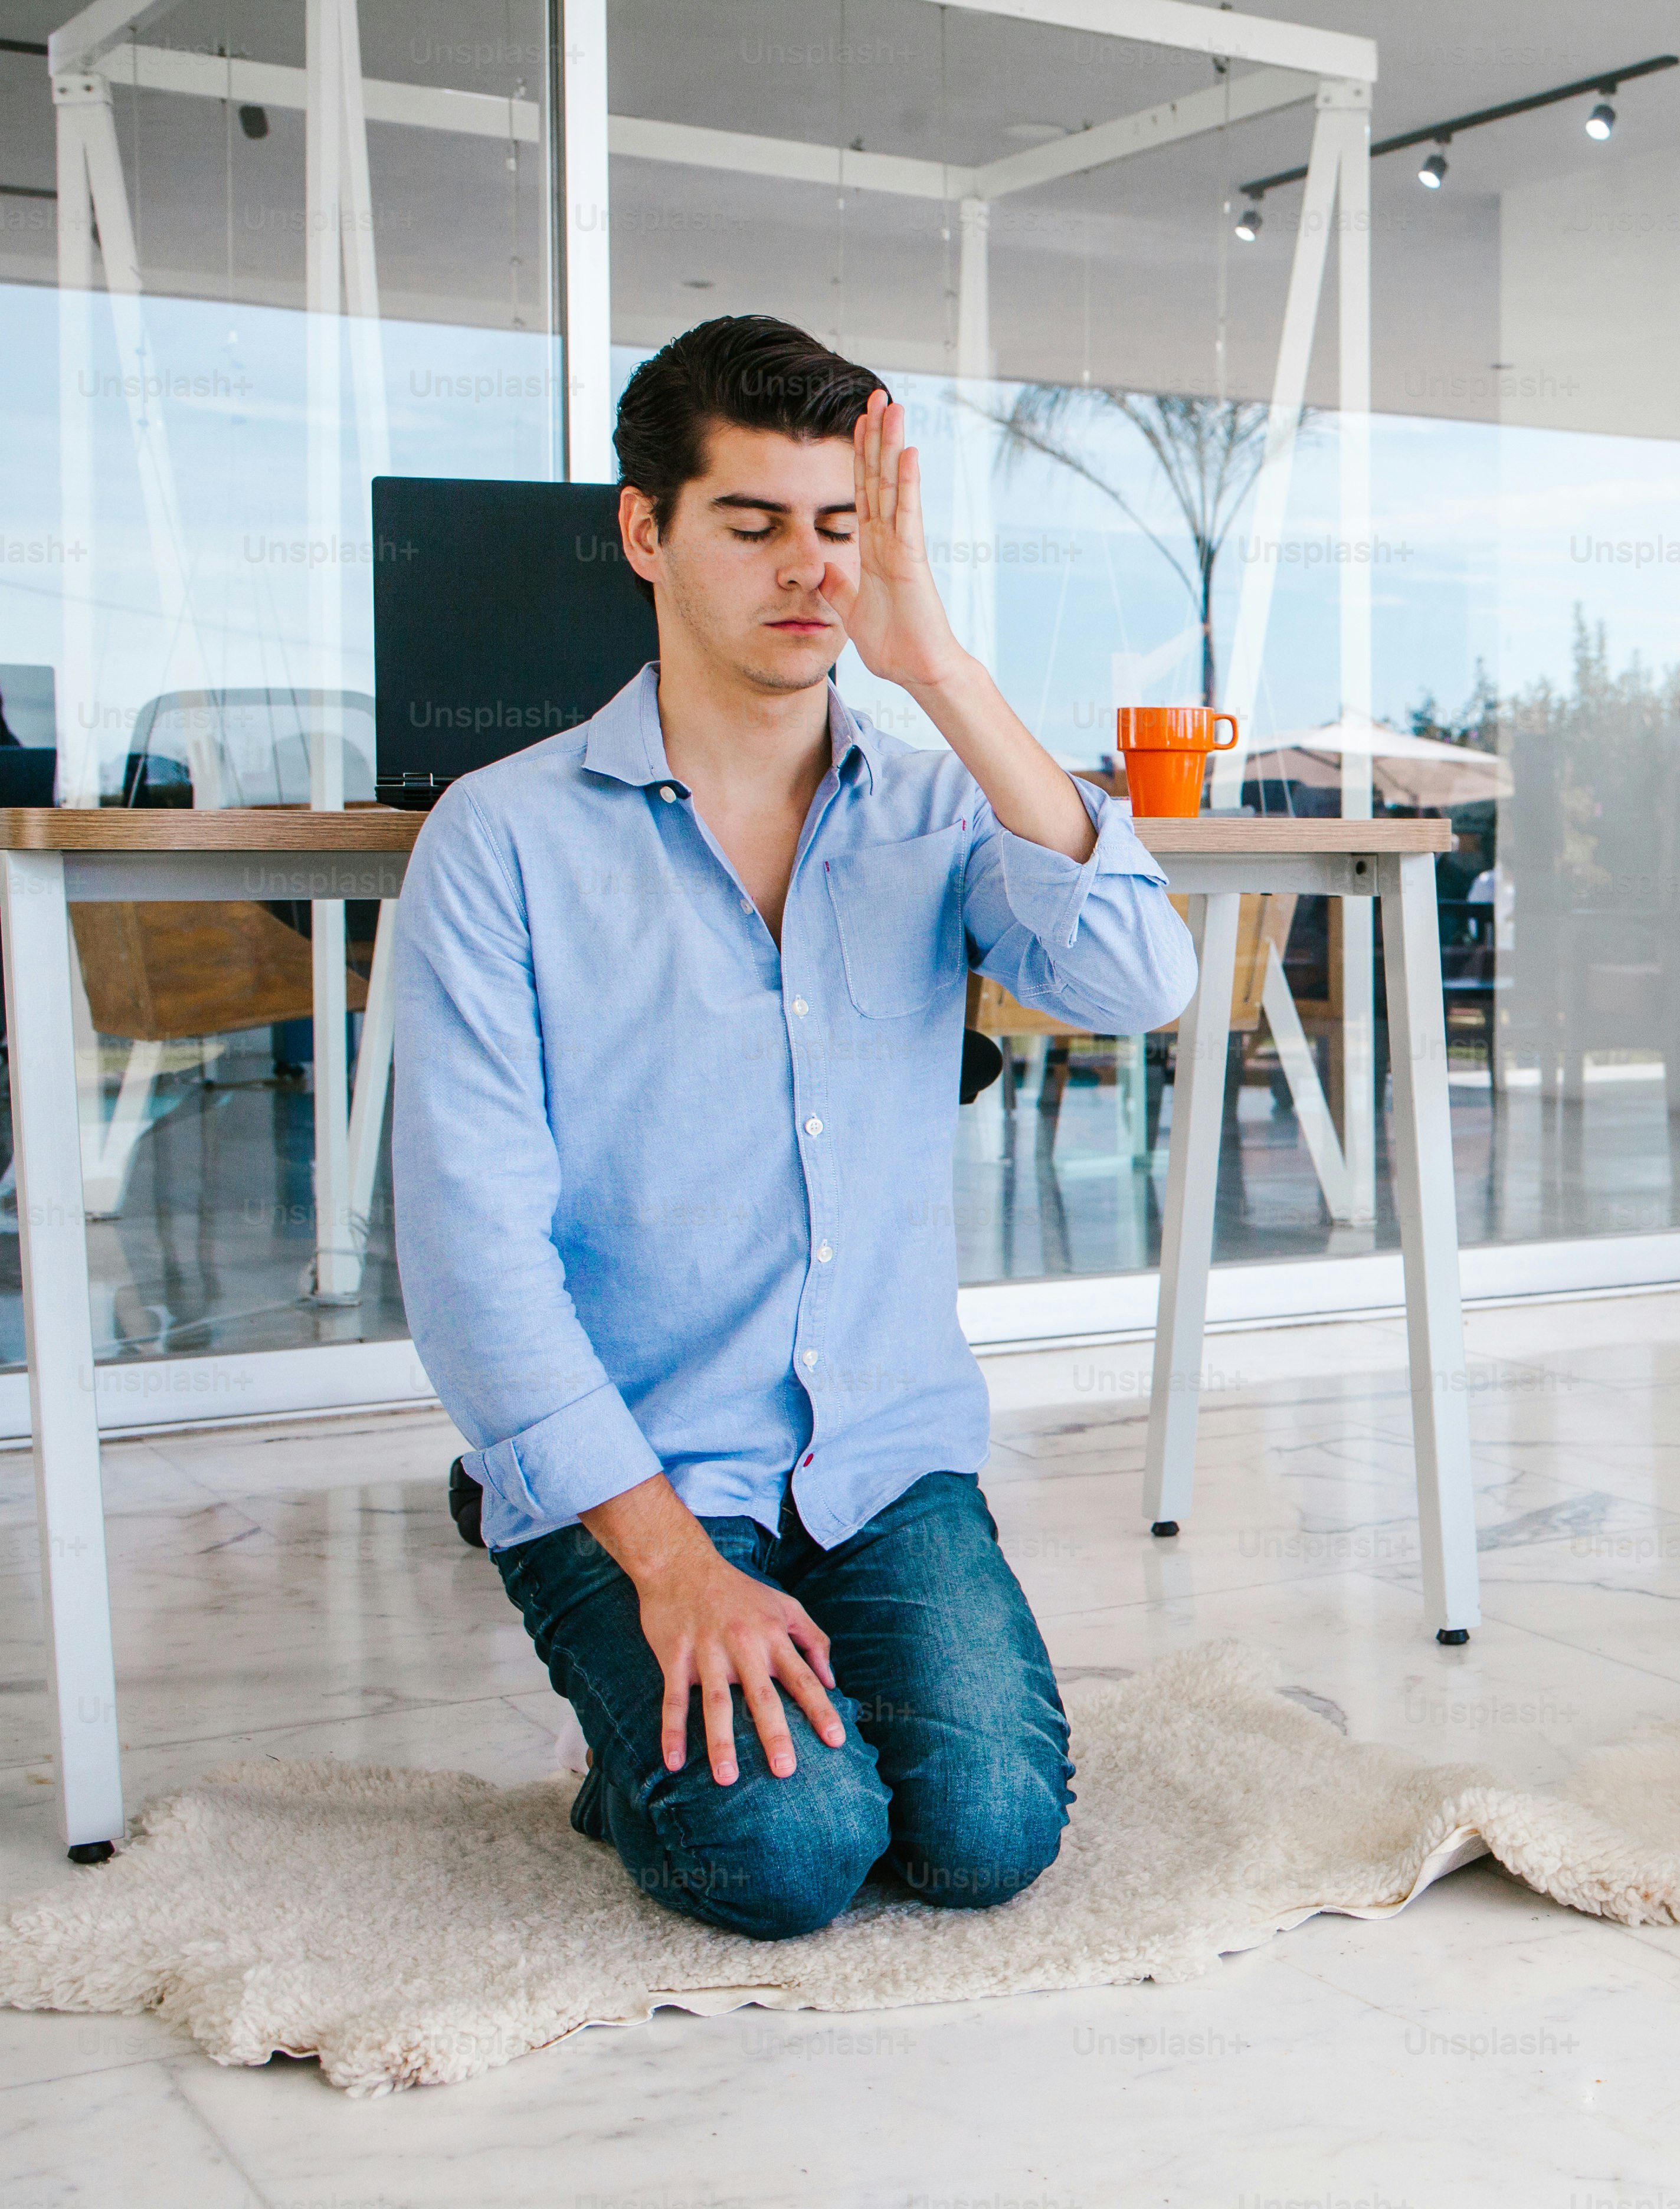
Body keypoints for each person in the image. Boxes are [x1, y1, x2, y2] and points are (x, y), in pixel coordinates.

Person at [392, 316, 1196, 1939]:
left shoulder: (932, 802)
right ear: (647, 532)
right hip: (642, 1472)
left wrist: (942, 674)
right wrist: (674, 1569)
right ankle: (628, 1725)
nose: (807, 573)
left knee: (984, 1836)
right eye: (752, 525)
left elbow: (1140, 978)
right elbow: (476, 1260)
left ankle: (771, 1681)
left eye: (840, 529)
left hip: (883, 1455)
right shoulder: (503, 843)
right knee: (783, 1857)